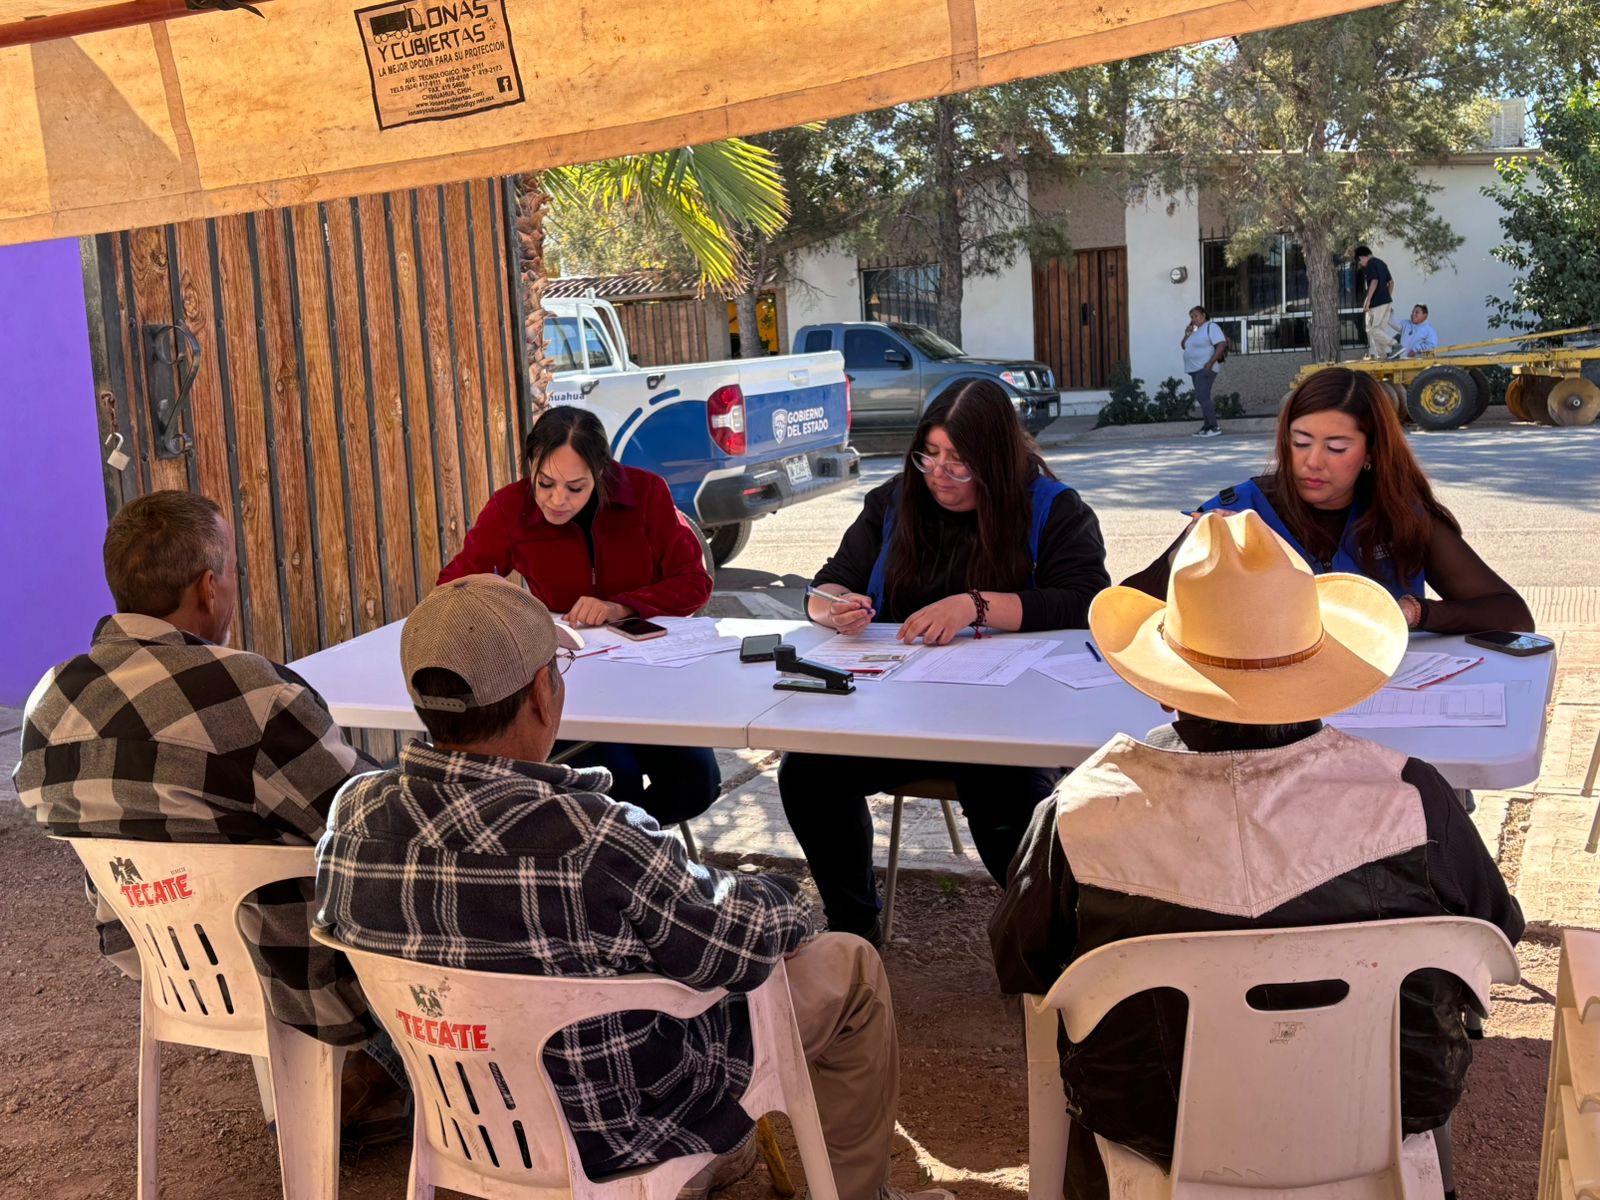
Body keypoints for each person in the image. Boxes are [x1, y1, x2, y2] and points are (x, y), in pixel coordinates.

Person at [315, 574, 952, 1200]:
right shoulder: (594, 839)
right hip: (621, 1121)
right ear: (543, 693)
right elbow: (734, 947)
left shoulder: (354, 816)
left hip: (461, 1100)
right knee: (850, 965)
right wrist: (784, 899)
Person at [990, 510, 1524, 1200]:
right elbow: (1496, 932)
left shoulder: (1083, 810)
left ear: (1164, 681)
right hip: (1388, 1112)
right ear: (1321, 667)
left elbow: (1021, 962)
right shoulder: (1410, 794)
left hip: (1152, 1123)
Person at [12, 489, 409, 1143]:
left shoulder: (48, 702)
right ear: (208, 587)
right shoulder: (251, 691)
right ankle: (377, 1067)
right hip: (292, 971)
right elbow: (373, 827)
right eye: (231, 573)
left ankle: (352, 1080)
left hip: (161, 959)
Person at [780, 379, 1111, 942]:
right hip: (899, 715)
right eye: (929, 455)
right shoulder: (894, 500)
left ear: (997, 461)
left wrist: (975, 605)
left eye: (960, 462)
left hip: (1006, 718)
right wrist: (834, 607)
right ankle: (855, 927)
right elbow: (828, 583)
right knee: (807, 773)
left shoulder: (1050, 508)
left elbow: (1087, 601)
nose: (939, 475)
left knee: (1003, 802)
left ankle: (1050, 942)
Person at [439, 404, 720, 826]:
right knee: (612, 783)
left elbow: (694, 581)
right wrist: (512, 610)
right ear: (531, 463)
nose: (557, 500)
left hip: (651, 680)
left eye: (576, 487)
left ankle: (626, 851)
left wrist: (622, 605)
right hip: (566, 686)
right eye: (545, 482)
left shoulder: (646, 494)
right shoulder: (509, 509)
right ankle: (619, 856)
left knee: (696, 782)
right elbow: (453, 588)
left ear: (601, 471)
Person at [1121, 367, 1533, 635]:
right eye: (1300, 443)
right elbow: (1130, 610)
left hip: (1385, 704)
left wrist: (1413, 613)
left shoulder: (1401, 516)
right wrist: (1185, 551)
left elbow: (1510, 614)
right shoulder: (1241, 509)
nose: (1312, 463)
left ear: (1372, 453)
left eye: (1337, 448)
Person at [1179, 305, 1228, 437]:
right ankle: (1207, 427)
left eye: (1196, 315)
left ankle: (1214, 426)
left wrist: (1211, 362)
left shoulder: (1210, 327)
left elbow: (1221, 344)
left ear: (1204, 315)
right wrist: (1187, 335)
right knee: (1202, 397)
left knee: (1202, 397)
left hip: (1205, 368)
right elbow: (1184, 346)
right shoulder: (1195, 332)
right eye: (1191, 317)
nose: (1194, 319)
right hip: (1194, 369)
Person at [1356, 245, 1401, 358]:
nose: (1360, 264)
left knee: (1371, 329)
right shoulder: (1382, 263)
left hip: (1376, 303)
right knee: (1379, 332)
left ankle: (1395, 345)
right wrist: (1387, 298)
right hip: (1386, 302)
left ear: (1363, 256)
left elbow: (1374, 281)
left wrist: (1368, 300)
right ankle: (1382, 358)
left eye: (1359, 260)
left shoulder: (1370, 264)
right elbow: (1391, 283)